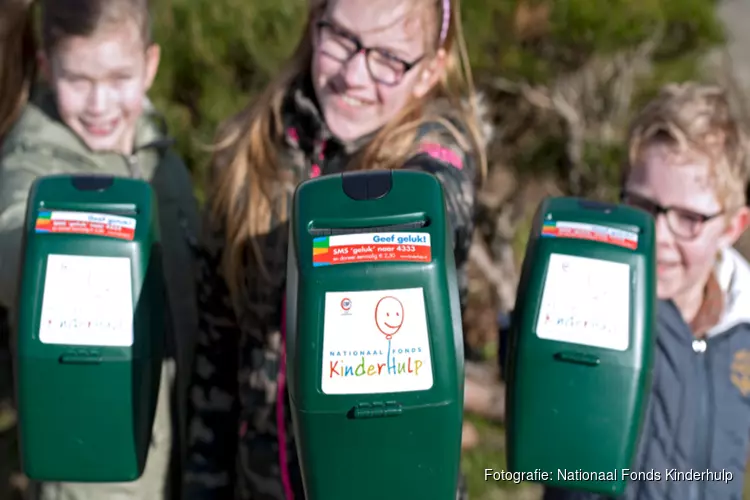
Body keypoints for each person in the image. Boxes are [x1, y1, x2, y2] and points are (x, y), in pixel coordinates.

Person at [183, 0, 488, 498]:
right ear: (314, 23)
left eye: (389, 58)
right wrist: (203, 482)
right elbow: (217, 348)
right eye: (342, 38)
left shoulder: (435, 161)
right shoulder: (252, 152)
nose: (353, 74)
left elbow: (442, 196)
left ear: (431, 70)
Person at [0, 0, 201, 499]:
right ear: (48, 68)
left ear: (150, 65)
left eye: (118, 78)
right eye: (79, 80)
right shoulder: (36, 162)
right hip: (93, 466)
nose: (99, 103)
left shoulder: (159, 155)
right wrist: (46, 251)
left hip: (181, 441)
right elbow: (10, 239)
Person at [544, 82, 750, 500]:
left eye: (689, 218)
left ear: (732, 226)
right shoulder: (581, 297)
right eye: (643, 205)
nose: (657, 234)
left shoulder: (743, 330)